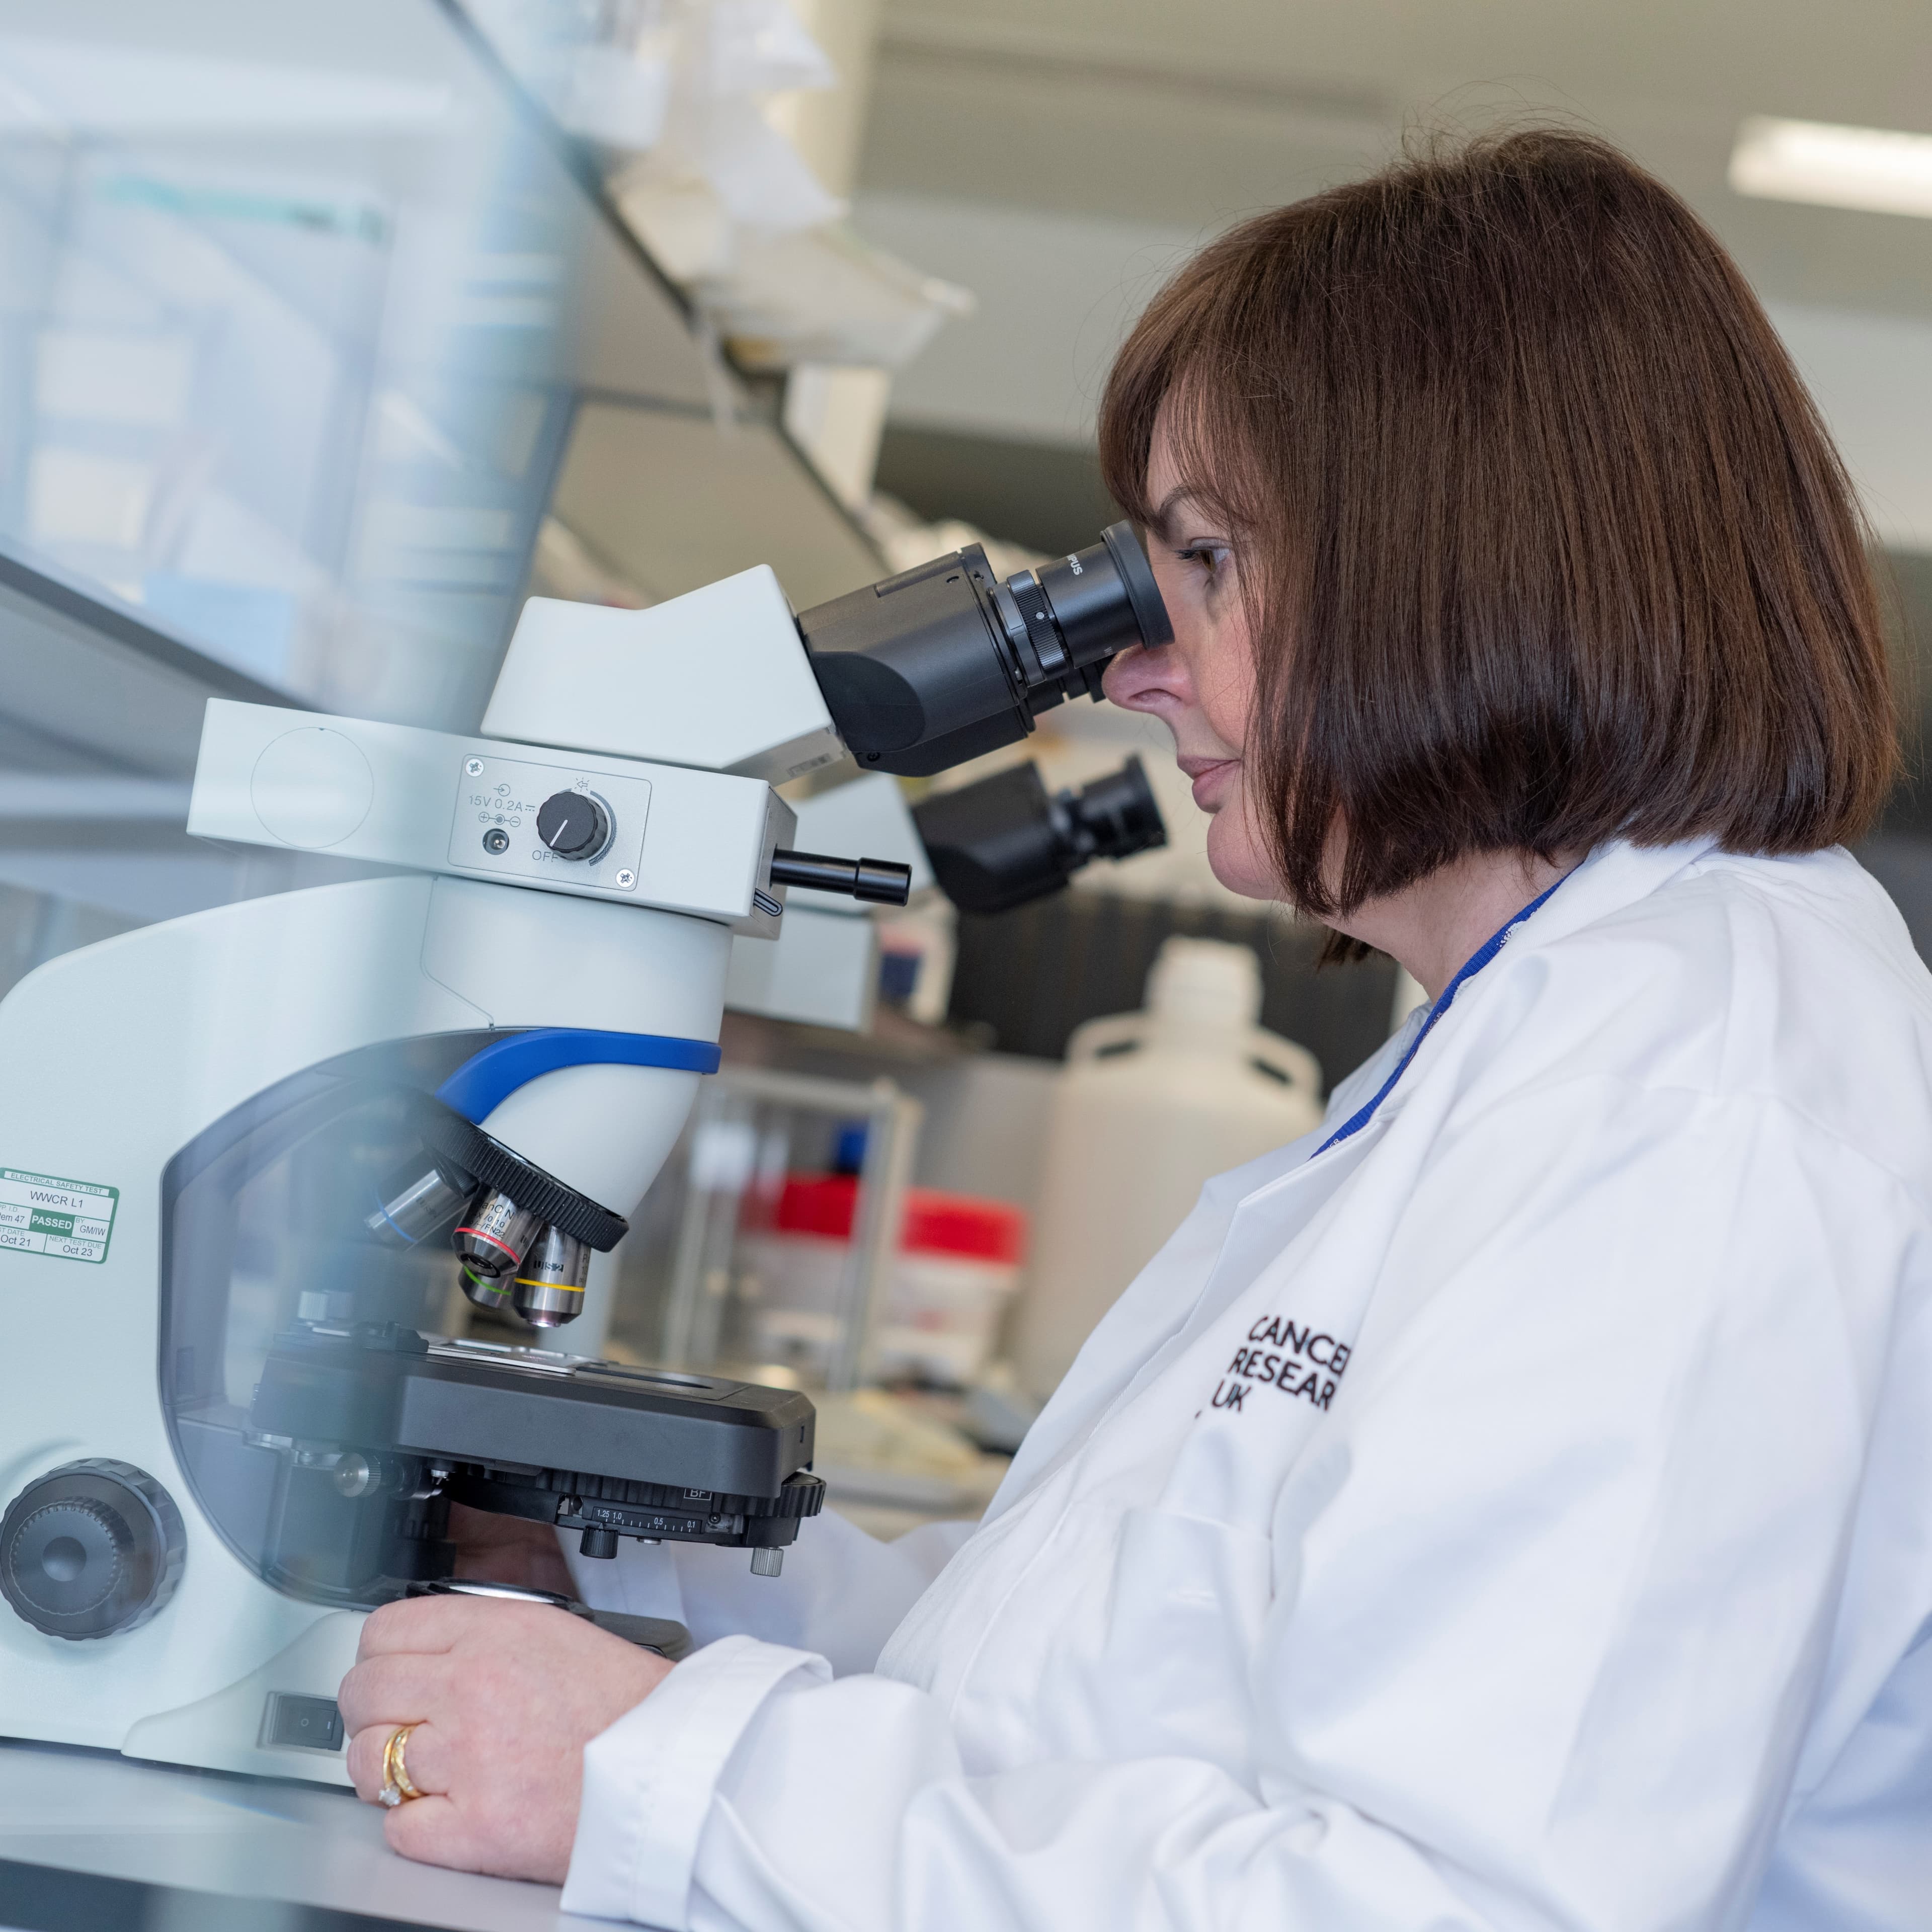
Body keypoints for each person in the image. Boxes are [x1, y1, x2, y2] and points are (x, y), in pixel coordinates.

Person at [338, 129, 1932, 1929]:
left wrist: (671, 1773)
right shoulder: (1544, 1043)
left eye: (1204, 562)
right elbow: (1094, 1682)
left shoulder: (1696, 1104)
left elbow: (1442, 1905)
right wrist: (625, 1572)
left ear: (1455, 560)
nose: (1132, 662)